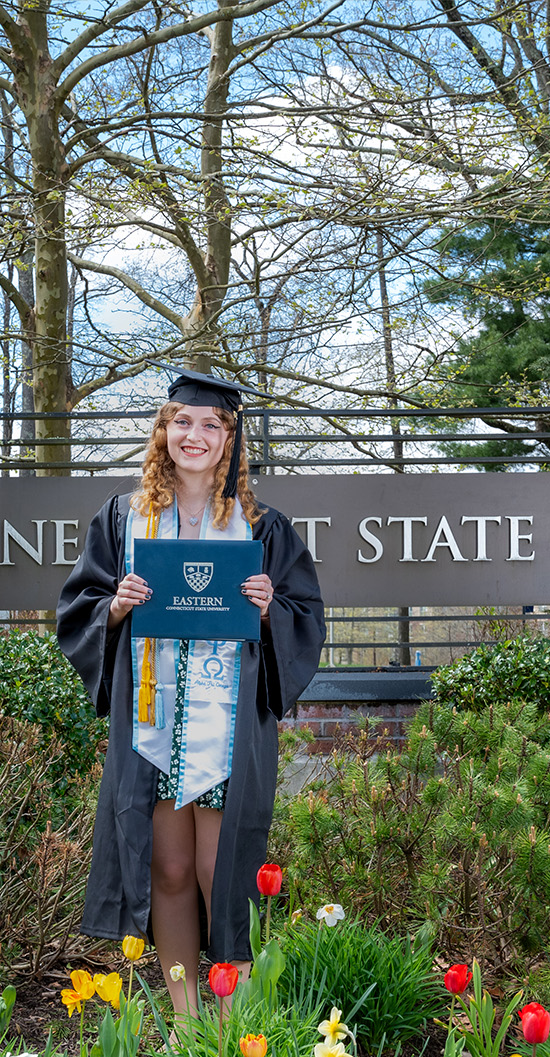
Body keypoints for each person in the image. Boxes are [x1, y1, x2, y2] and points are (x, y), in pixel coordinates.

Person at [57, 368, 324, 1016]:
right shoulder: (124, 519)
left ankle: (232, 1021)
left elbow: (306, 616)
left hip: (228, 726)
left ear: (230, 439)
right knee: (169, 872)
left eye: (210, 424)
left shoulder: (263, 527)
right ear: (163, 432)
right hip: (154, 718)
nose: (194, 435)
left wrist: (269, 609)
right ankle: (187, 1023)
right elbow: (78, 607)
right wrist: (115, 608)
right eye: (182, 422)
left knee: (220, 874)